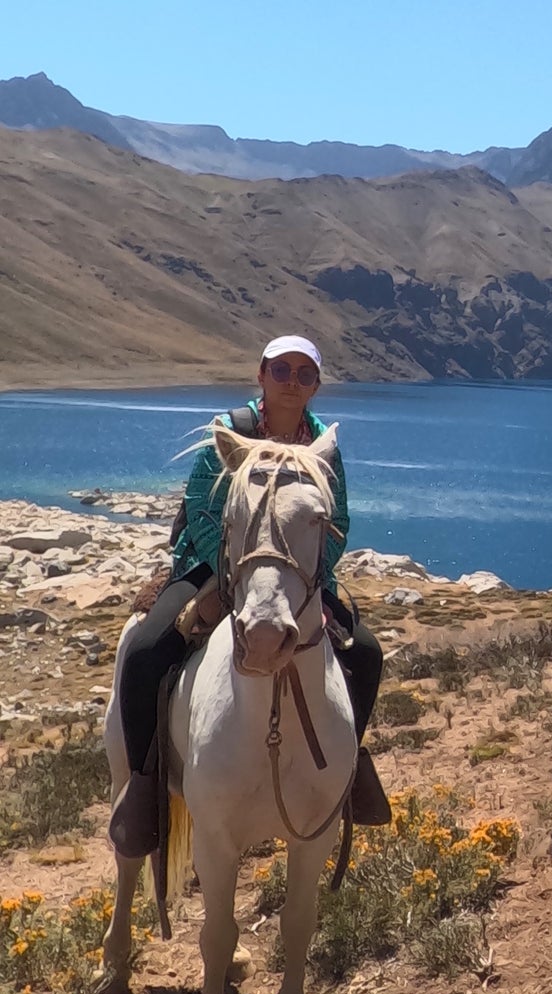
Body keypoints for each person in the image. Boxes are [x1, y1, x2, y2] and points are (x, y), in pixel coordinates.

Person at [108, 335, 389, 859]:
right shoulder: (231, 433)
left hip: (297, 576)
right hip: (215, 567)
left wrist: (309, 581)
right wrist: (233, 578)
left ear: (316, 386)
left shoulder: (324, 446)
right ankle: (144, 787)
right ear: (261, 375)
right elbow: (202, 509)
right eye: (281, 371)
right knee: (147, 648)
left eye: (304, 374)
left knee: (366, 654)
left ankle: (348, 773)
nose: (292, 382)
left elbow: (338, 521)